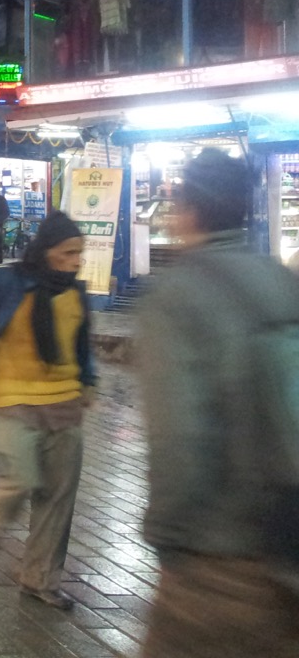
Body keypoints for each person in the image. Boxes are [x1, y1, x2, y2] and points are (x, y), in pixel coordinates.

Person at [136, 149, 299, 656]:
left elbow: (180, 441)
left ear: (189, 211)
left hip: (218, 561)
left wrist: (167, 537)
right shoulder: (282, 280)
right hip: (287, 545)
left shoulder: (176, 296)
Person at [0, 211, 95, 611]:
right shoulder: (5, 281)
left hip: (64, 404)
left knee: (58, 496)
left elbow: (81, 346)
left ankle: (40, 579)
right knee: (20, 477)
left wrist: (89, 382)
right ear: (46, 252)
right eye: (68, 252)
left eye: (79, 253)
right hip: (11, 401)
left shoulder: (75, 292)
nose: (76, 260)